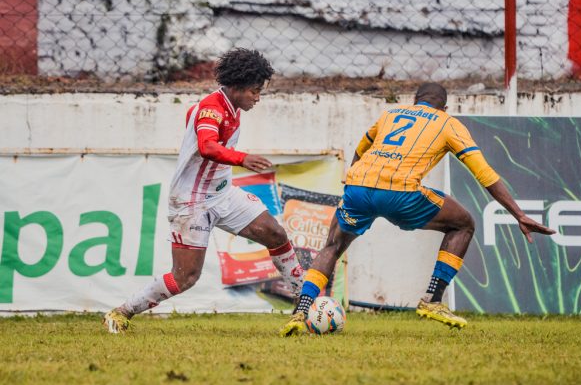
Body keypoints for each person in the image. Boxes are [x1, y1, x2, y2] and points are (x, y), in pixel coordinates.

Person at [280, 82, 556, 336]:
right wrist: (517, 214)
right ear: (444, 107)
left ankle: (301, 310)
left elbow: (362, 147)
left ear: (414, 101)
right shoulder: (448, 123)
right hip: (401, 193)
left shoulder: (390, 115)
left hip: (358, 188)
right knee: (463, 223)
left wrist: (355, 181)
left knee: (333, 245)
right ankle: (433, 300)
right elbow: (484, 173)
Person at [103, 48, 305, 333]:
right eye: (255, 91)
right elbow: (207, 146)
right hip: (192, 202)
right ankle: (121, 312)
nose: (258, 98)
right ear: (237, 86)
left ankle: (304, 307)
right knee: (185, 277)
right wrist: (242, 158)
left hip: (223, 194)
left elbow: (194, 121)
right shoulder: (212, 108)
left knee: (276, 233)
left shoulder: (229, 108)